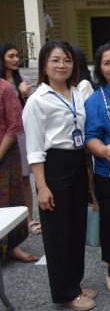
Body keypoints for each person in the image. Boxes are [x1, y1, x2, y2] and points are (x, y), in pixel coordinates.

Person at [23, 41, 96, 311]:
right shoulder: (37, 101)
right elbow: (34, 150)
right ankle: (64, 292)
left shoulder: (77, 93)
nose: (62, 65)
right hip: (53, 167)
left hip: (77, 163)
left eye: (66, 60)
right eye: (55, 60)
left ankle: (75, 283)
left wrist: (87, 170)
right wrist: (41, 187)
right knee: (58, 233)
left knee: (76, 228)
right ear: (44, 65)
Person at [84, 43, 110, 294]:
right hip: (106, 170)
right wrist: (103, 151)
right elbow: (91, 136)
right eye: (107, 62)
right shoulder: (95, 100)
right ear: (99, 68)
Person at [0, 43, 40, 236]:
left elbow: (23, 114)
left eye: (17, 56)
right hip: (7, 135)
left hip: (21, 135)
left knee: (24, 177)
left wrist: (24, 95)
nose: (16, 59)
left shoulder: (22, 80)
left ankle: (29, 218)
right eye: (11, 56)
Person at [0, 78, 38, 263]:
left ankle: (11, 247)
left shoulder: (4, 88)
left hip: (5, 156)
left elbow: (14, 127)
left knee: (7, 202)